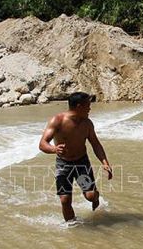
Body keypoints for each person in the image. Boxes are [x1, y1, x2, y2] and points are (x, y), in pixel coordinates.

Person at [38, 92, 113, 226]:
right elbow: (42, 144)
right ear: (79, 106)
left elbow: (95, 144)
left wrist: (105, 162)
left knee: (90, 196)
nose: (90, 109)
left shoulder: (87, 124)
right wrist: (53, 149)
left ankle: (96, 197)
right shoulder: (58, 121)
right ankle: (72, 226)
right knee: (65, 200)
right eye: (88, 106)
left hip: (81, 163)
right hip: (63, 164)